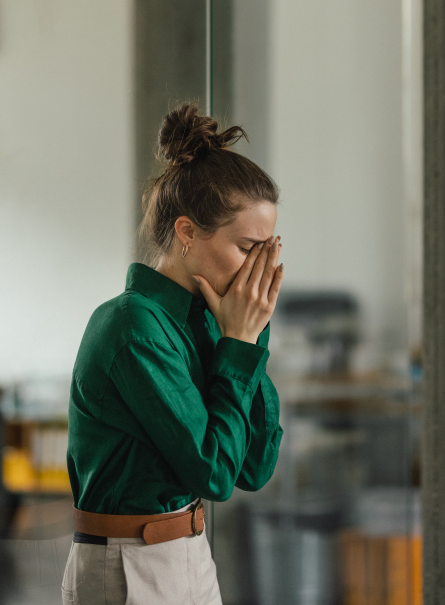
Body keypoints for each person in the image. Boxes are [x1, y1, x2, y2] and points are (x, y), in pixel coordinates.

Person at [62, 103, 284, 605]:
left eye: (269, 250)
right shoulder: (131, 325)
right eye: (249, 249)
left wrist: (251, 334)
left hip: (188, 553)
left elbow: (253, 467)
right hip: (127, 564)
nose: (261, 268)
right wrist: (240, 342)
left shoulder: (210, 323)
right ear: (187, 232)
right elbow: (215, 473)